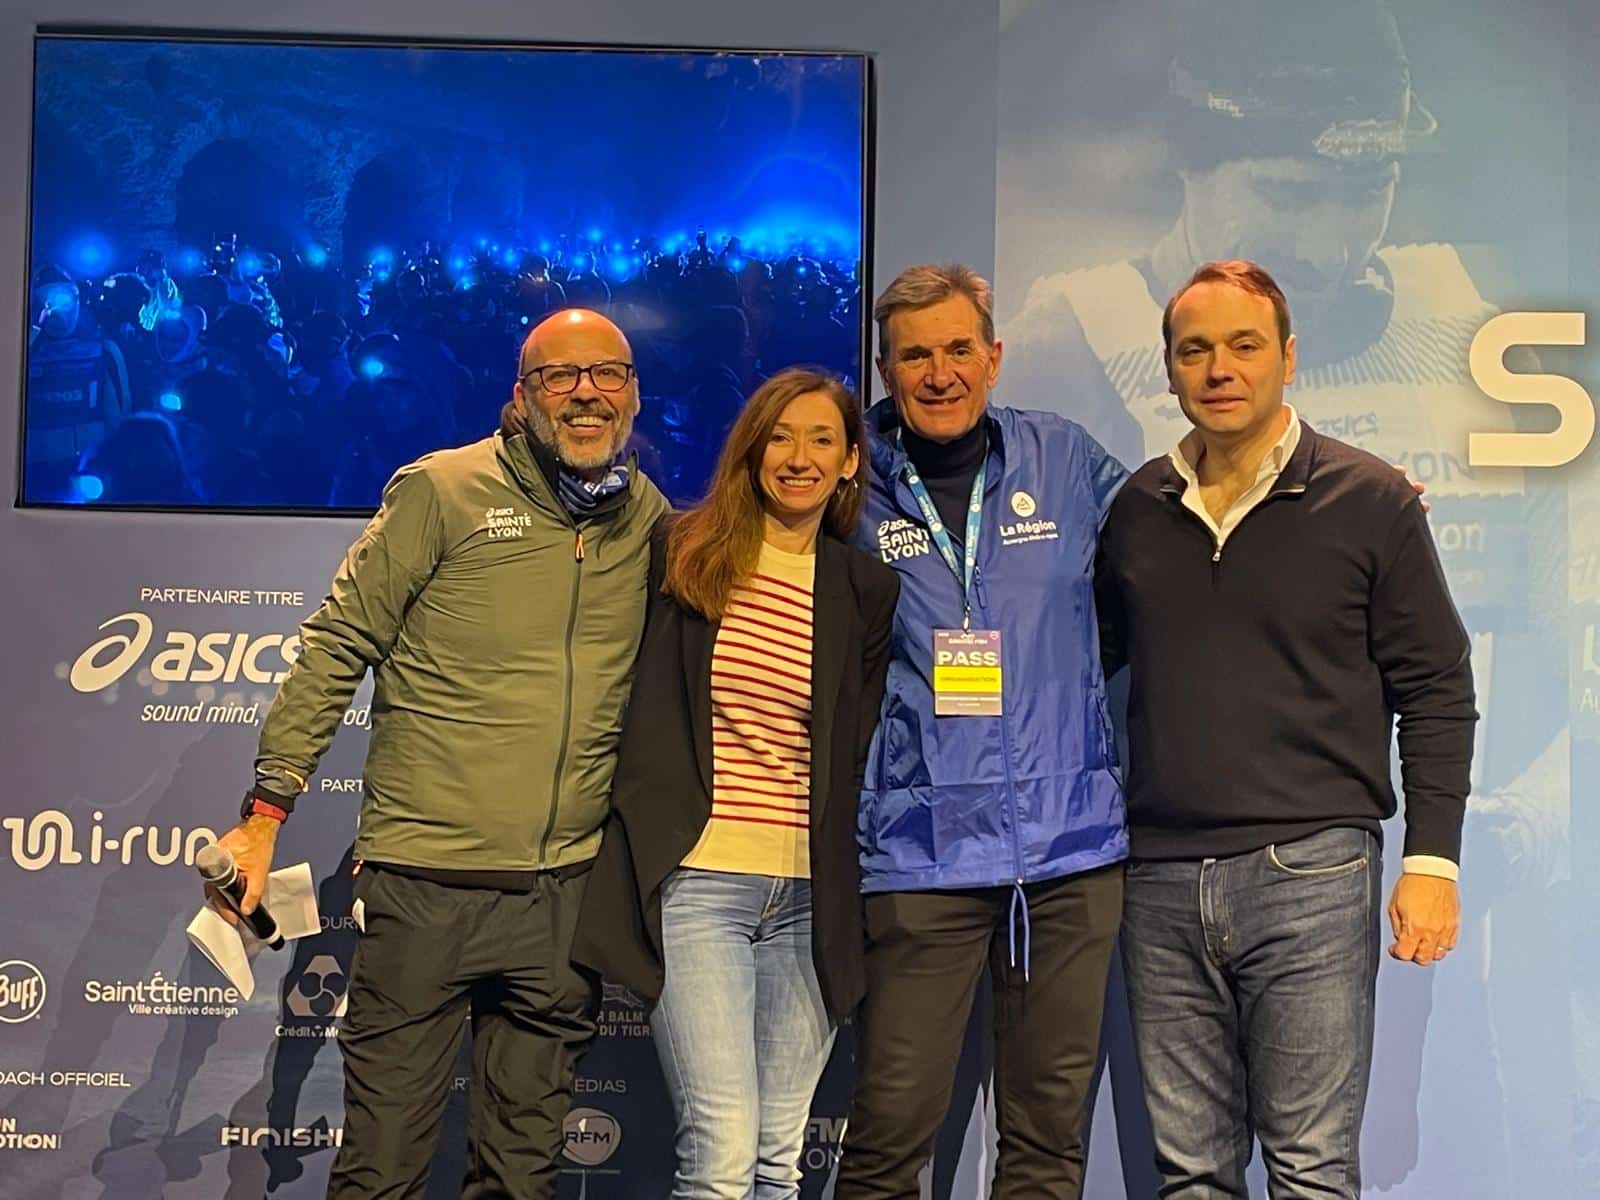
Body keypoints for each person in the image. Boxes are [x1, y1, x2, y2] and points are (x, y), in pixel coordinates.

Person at [204, 307, 669, 1199]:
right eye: (559, 376)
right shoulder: (444, 490)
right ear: (521, 395)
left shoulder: (644, 516)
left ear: (634, 394)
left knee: (522, 1178)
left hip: (563, 897)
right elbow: (337, 644)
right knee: (382, 1171)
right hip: (425, 887)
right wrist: (264, 816)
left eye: (606, 374)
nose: (585, 394)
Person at [1094, 259, 1477, 1198]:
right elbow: (1080, 669)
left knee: (1310, 1170)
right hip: (1158, 879)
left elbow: (1436, 685)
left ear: (1289, 357)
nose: (1219, 368)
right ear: (1169, 369)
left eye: (1244, 345)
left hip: (1312, 874)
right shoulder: (1137, 509)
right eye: (1195, 350)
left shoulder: (1371, 499)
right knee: (1190, 1175)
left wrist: (1432, 861)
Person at [832, 264, 1127, 1198]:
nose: (940, 373)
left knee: (1046, 1142)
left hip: (1068, 854)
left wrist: (1344, 506)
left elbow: (1185, 530)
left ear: (994, 357)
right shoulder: (850, 480)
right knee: (889, 1137)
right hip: (919, 852)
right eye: (915, 355)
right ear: (886, 371)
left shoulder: (1063, 457)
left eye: (959, 349)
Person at [574, 367, 899, 1199]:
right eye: (779, 438)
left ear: (850, 462)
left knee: (777, 1160)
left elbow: (854, 748)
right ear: (751, 454)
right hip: (700, 886)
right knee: (720, 1154)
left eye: (822, 440)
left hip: (812, 899)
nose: (799, 457)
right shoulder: (682, 552)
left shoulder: (865, 588)